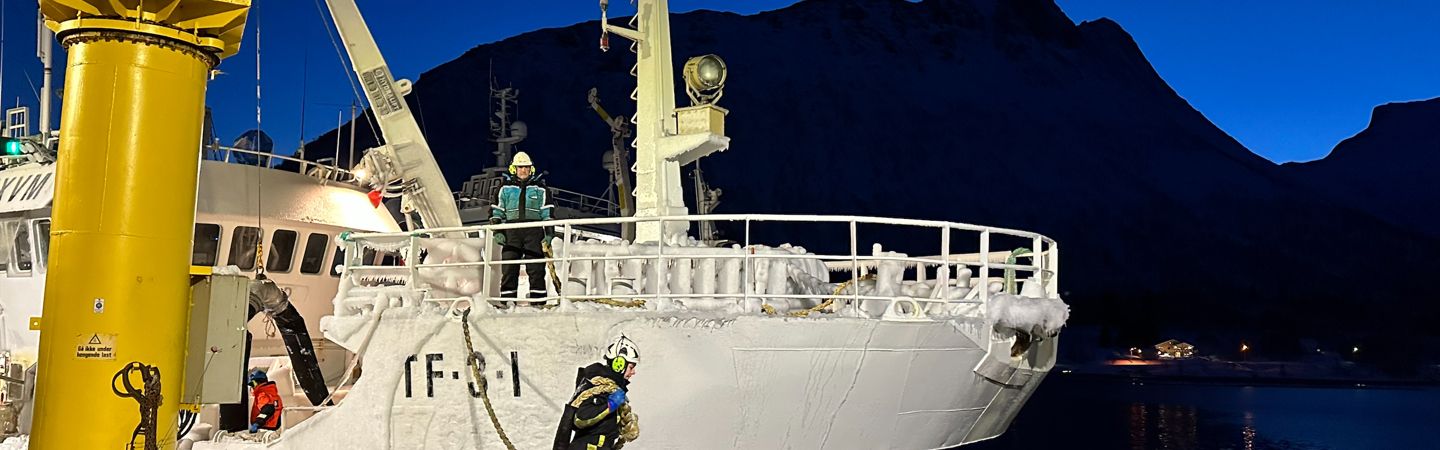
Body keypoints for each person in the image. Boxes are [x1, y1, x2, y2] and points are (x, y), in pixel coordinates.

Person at [489, 151, 555, 304]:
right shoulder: (504, 188)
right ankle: (508, 301)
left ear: (531, 169)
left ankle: (538, 302)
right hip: (511, 232)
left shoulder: (541, 189)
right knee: (509, 268)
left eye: (526, 167)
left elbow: (547, 212)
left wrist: (549, 234)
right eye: (520, 167)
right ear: (514, 169)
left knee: (536, 268)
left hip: (534, 231)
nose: (523, 170)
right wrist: (497, 231)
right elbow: (497, 211)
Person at [554, 336, 642, 450]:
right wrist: (609, 405)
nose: (633, 372)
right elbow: (580, 418)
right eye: (631, 367)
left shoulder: (613, 390)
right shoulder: (597, 389)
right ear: (619, 364)